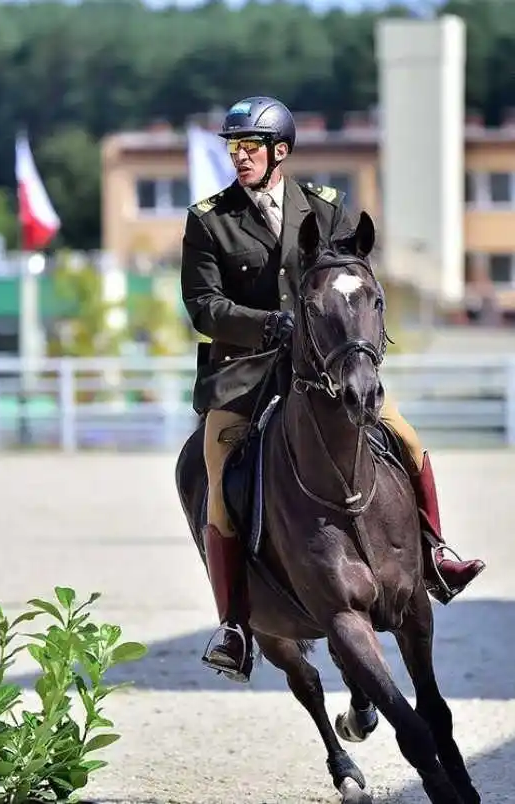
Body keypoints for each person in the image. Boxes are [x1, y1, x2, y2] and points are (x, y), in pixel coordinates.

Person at [180, 95, 486, 684]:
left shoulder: (324, 207)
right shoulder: (209, 218)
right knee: (218, 479)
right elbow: (203, 305)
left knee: (406, 436)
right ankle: (235, 624)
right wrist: (269, 323)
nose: (239, 158)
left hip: (325, 367)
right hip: (244, 372)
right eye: (234, 148)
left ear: (280, 153)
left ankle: (437, 556)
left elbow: (354, 274)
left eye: (250, 148)